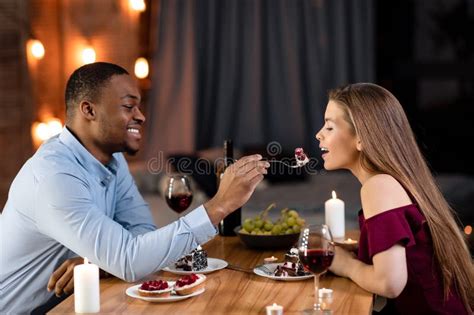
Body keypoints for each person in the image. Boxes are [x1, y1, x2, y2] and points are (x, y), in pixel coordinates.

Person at [0, 62, 269, 314]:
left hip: (73, 304)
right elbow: (131, 259)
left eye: (139, 107)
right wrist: (220, 204)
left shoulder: (112, 160)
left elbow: (141, 235)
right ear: (89, 110)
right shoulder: (54, 177)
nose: (140, 116)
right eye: (129, 107)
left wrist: (100, 263)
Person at [315, 83, 473, 314]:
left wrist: (345, 265)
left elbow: (390, 284)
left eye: (329, 127)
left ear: (362, 138)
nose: (318, 134)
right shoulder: (393, 181)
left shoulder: (379, 186)